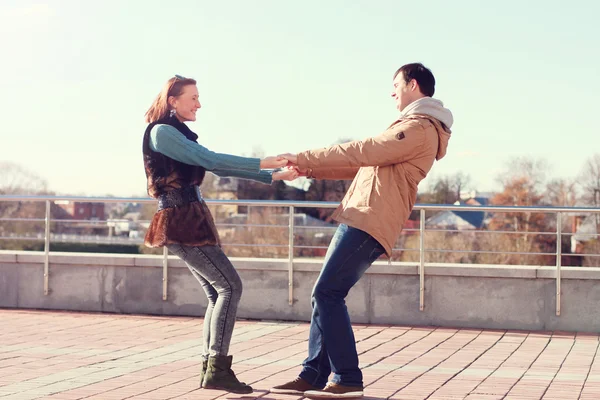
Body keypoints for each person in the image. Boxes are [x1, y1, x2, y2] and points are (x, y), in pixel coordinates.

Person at [271, 63, 453, 399]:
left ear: (412, 85)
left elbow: (362, 150)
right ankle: (313, 373)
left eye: (395, 84)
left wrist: (303, 156)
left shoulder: (418, 128)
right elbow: (360, 163)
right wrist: (304, 168)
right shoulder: (411, 127)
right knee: (324, 294)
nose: (392, 91)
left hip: (370, 219)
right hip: (362, 215)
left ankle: (347, 378)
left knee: (327, 293)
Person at [142, 74, 297, 394]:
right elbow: (210, 160)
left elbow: (218, 166)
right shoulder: (162, 133)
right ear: (173, 101)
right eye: (193, 97)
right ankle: (217, 369)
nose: (199, 103)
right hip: (180, 219)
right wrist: (266, 160)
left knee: (218, 292)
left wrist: (274, 175)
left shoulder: (177, 134)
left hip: (190, 217)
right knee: (230, 286)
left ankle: (211, 369)